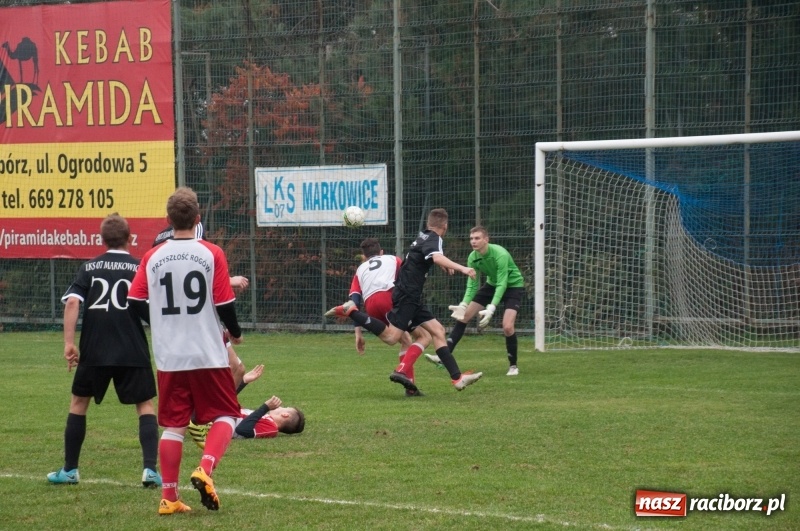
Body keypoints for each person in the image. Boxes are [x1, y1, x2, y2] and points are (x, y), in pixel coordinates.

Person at [129, 187, 243, 515]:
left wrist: (159, 323)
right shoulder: (211, 252)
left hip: (170, 355)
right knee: (227, 413)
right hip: (206, 351)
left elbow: (134, 301)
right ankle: (205, 469)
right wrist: (234, 333)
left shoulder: (153, 255)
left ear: (167, 220)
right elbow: (224, 302)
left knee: (175, 423)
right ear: (197, 218)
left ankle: (169, 498)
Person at [47, 213, 161, 488]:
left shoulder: (88, 268)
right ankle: (150, 471)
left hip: (94, 349)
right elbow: (154, 307)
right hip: (131, 347)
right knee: (144, 406)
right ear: (129, 238)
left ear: (101, 239)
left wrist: (68, 343)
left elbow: (72, 303)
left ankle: (70, 470)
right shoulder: (139, 267)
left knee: (79, 403)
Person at [326, 208, 483, 391]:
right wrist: (463, 268)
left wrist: (440, 263)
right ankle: (354, 314)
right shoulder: (433, 239)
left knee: (437, 331)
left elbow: (425, 258)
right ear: (445, 226)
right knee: (393, 337)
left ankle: (457, 378)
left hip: (408, 295)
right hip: (406, 294)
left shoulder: (422, 236)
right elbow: (435, 256)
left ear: (428, 224)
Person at [152, 222, 250, 387]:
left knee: (236, 368)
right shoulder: (195, 231)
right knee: (234, 369)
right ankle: (215, 411)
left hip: (173, 326)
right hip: (199, 323)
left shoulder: (159, 240)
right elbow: (195, 269)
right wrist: (229, 280)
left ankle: (212, 411)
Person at [426, 226, 526, 376]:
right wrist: (463, 304)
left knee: (507, 327)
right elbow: (472, 285)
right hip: (492, 285)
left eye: (477, 238)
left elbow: (503, 283)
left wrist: (491, 308)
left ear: (486, 239)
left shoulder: (500, 254)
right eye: (471, 238)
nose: (473, 241)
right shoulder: (473, 257)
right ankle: (443, 357)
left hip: (513, 286)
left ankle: (513, 366)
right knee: (464, 316)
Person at [349, 238, 431, 397]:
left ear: (364, 257)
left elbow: (355, 301)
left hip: (371, 306)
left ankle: (411, 388)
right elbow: (408, 278)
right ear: (381, 252)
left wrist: (358, 334)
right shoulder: (393, 259)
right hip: (390, 299)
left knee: (405, 339)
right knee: (424, 336)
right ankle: (401, 370)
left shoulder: (360, 270)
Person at [188, 394, 306, 449]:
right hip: (218, 412)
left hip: (216, 420)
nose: (280, 407)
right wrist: (244, 381)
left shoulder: (271, 428)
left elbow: (243, 429)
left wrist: (265, 407)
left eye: (284, 408)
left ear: (285, 415)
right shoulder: (265, 418)